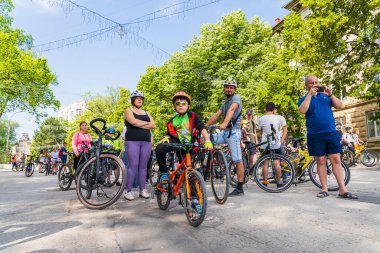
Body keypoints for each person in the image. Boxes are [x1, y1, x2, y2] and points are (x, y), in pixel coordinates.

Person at [298, 75, 357, 199]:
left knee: (336, 159)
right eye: (311, 83)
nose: (314, 84)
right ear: (306, 85)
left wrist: (330, 94)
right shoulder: (303, 98)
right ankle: (324, 189)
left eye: (316, 82)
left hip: (330, 133)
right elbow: (302, 110)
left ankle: (342, 189)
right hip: (314, 134)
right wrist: (309, 95)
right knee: (320, 161)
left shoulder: (325, 97)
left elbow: (340, 106)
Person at [155, 92, 213, 195]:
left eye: (183, 103)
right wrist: (166, 138)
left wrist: (207, 140)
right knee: (159, 148)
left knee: (190, 174)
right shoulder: (173, 121)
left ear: (188, 105)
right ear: (174, 107)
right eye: (177, 104)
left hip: (189, 147)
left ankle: (195, 201)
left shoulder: (193, 116)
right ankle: (164, 173)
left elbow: (202, 127)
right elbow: (170, 134)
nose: (180, 105)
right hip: (178, 146)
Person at [206, 78, 244, 196]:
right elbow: (216, 115)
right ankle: (207, 167)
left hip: (233, 133)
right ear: (224, 89)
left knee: (237, 159)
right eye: (227, 87)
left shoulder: (236, 98)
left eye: (231, 87)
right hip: (224, 133)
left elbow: (232, 109)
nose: (229, 89)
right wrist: (203, 127)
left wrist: (225, 123)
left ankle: (239, 187)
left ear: (234, 89)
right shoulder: (224, 103)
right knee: (207, 139)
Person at [123, 90, 156, 201]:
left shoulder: (146, 112)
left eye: (141, 99)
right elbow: (133, 122)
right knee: (133, 166)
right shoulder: (128, 110)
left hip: (146, 141)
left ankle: (143, 190)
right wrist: (147, 124)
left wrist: (141, 124)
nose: (139, 100)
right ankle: (128, 191)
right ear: (133, 100)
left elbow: (154, 125)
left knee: (143, 167)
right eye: (137, 98)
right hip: (132, 141)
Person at [257, 102, 288, 187]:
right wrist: (281, 140)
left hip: (265, 143)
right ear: (274, 109)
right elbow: (285, 130)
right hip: (276, 143)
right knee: (277, 163)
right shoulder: (280, 118)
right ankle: (279, 182)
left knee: (265, 163)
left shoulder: (261, 119)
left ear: (265, 109)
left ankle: (265, 183)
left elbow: (260, 131)